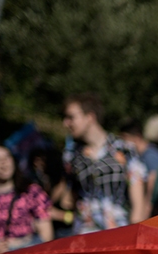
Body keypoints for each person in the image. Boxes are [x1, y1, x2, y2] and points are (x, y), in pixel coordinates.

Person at [61, 92, 147, 231]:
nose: (66, 123)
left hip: (118, 234)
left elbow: (138, 206)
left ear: (90, 117)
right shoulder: (71, 155)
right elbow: (70, 198)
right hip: (83, 236)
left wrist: (135, 233)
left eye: (71, 117)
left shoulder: (124, 149)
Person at [0, 142, 54, 254]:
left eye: (6, 157)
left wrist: (20, 246)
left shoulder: (31, 192)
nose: (3, 163)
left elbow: (46, 235)